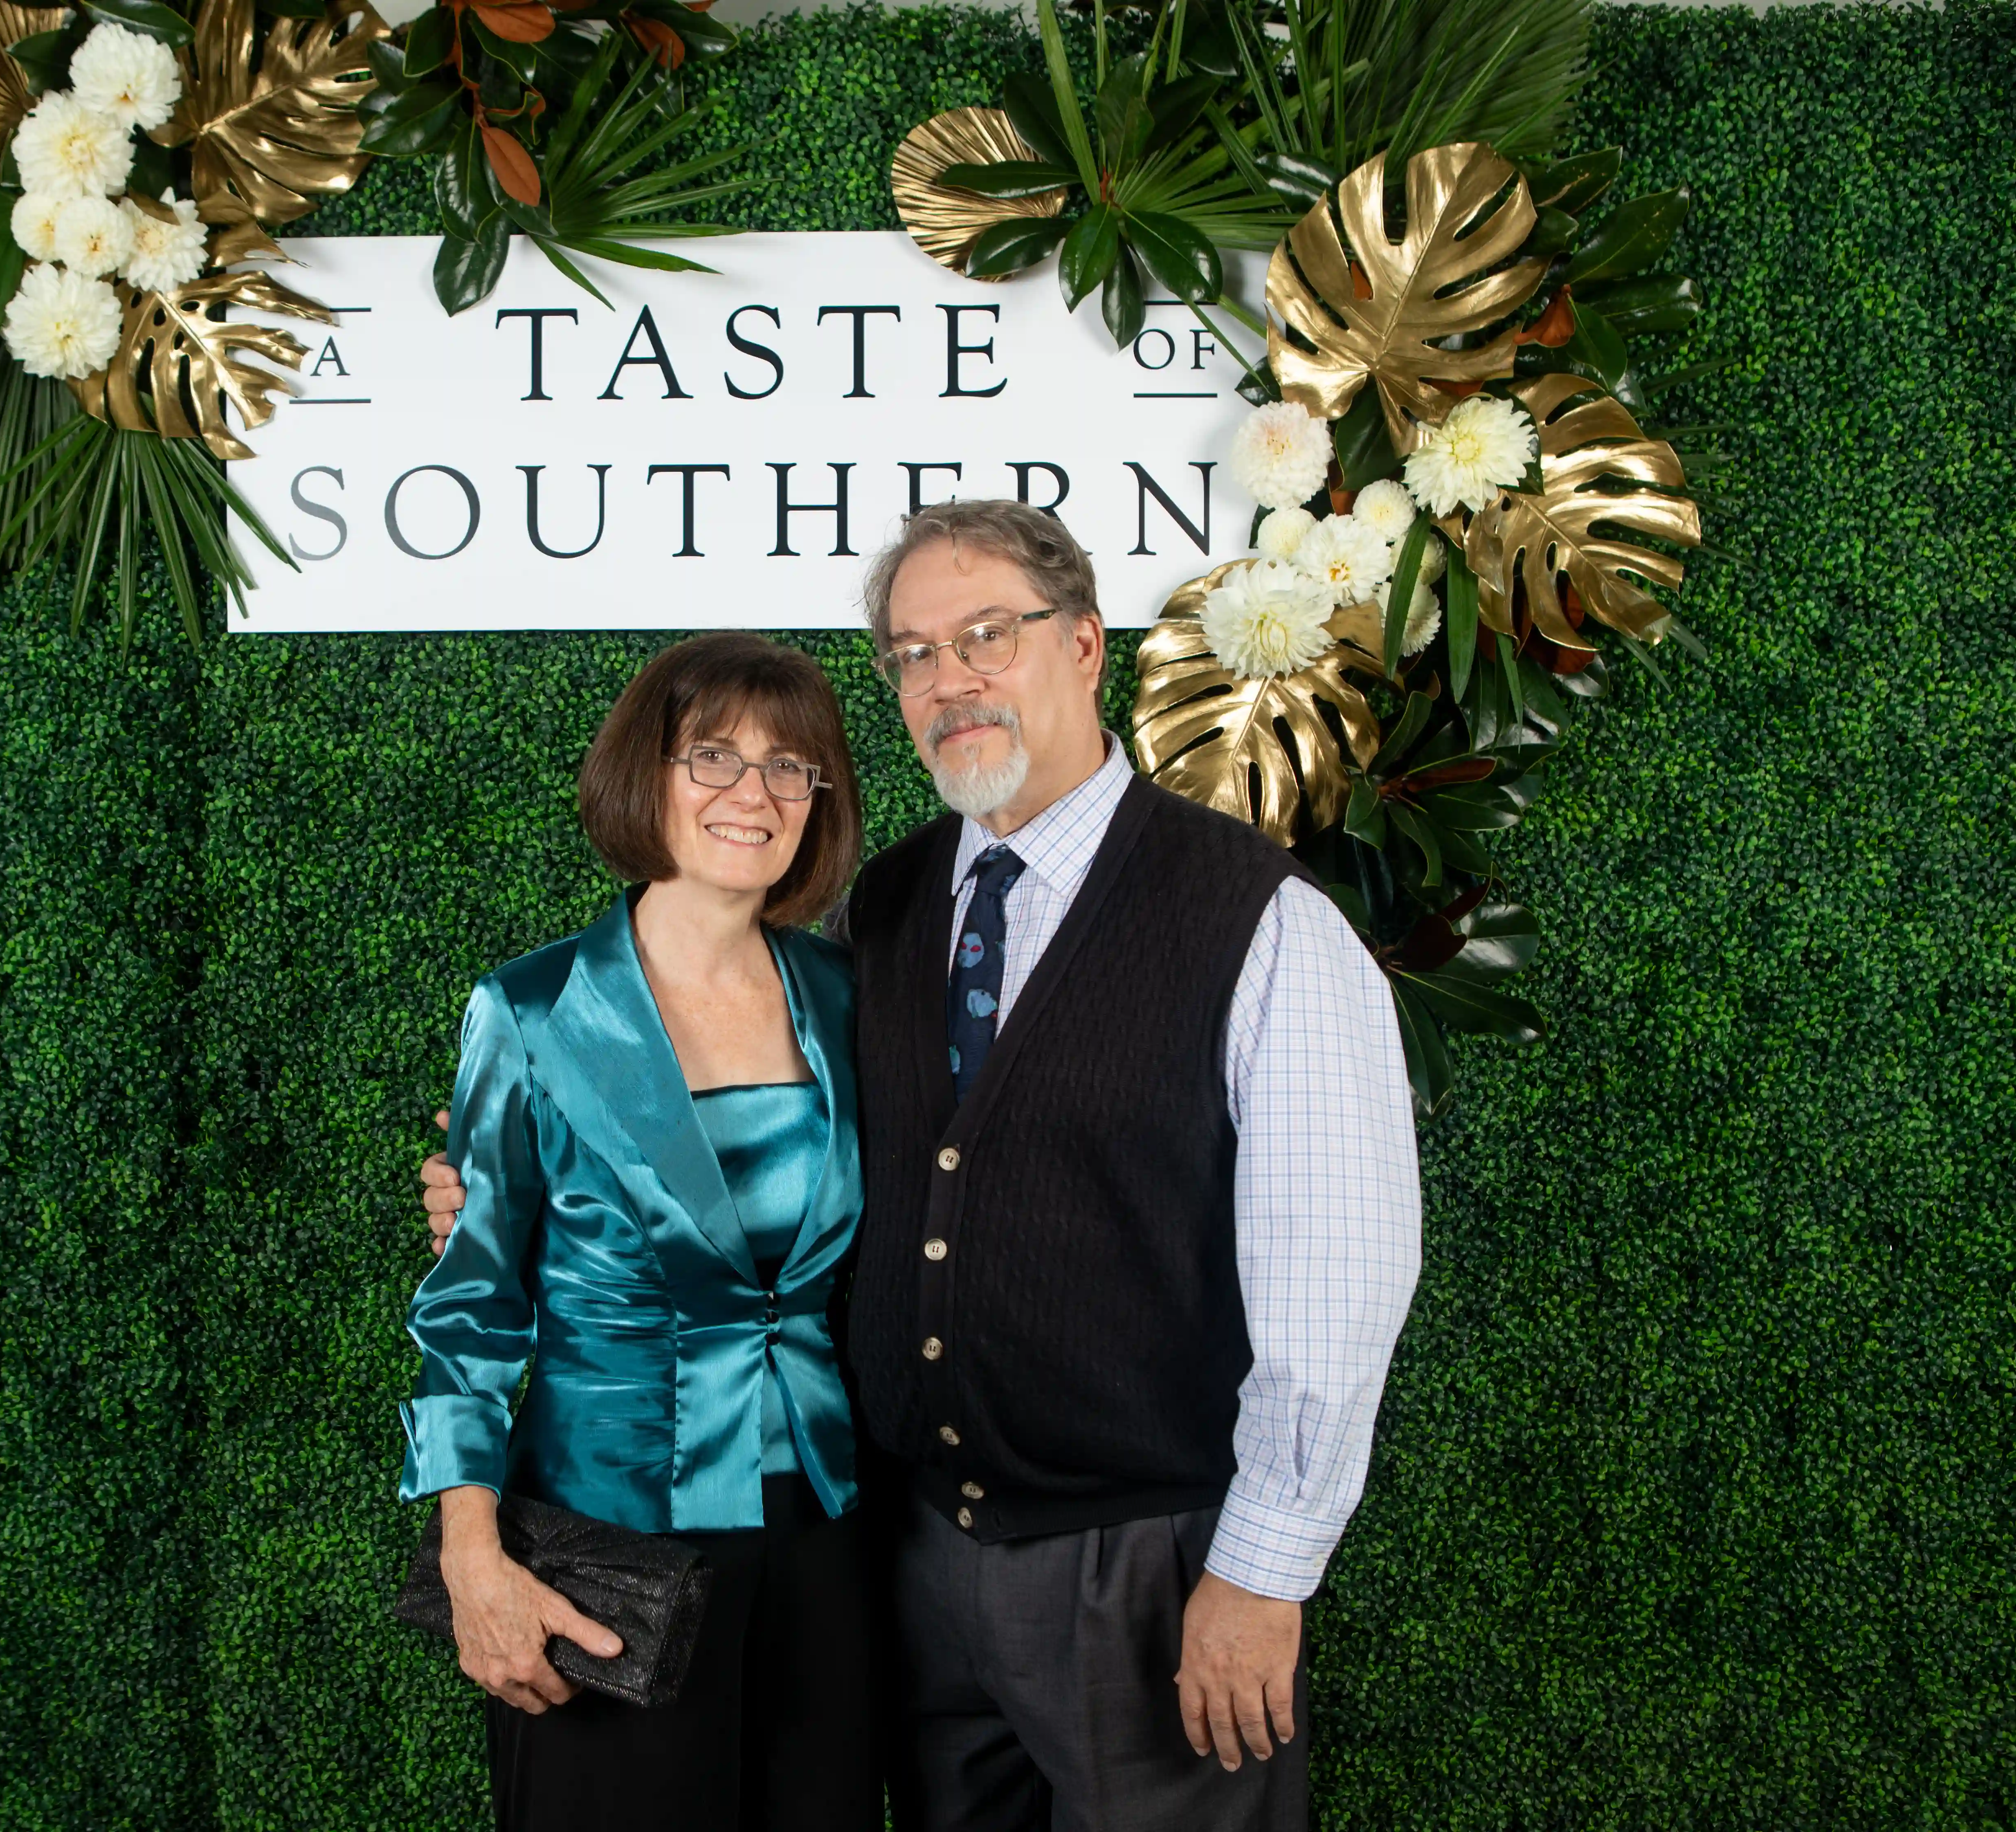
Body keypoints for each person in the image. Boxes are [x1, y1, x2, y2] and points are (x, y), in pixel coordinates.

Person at [424, 501, 1423, 1832]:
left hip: (1133, 1560)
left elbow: (1340, 1275)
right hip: (893, 1555)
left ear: (1084, 646)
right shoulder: (884, 918)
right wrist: (520, 1216)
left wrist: (1264, 1571)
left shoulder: (1262, 919)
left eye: (986, 636)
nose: (949, 679)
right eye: (911, 654)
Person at [397, 632, 881, 1832]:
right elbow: (471, 1313)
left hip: (827, 1535)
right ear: (646, 778)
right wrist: (472, 1556)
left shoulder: (852, 998)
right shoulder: (531, 1010)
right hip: (612, 1543)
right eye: (712, 756)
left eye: (789, 767)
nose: (752, 795)